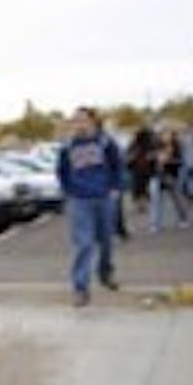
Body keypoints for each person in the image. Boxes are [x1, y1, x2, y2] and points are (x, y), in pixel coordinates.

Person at [57, 107, 123, 307]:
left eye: (83, 120)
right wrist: (69, 191)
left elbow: (117, 166)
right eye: (75, 120)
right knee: (83, 244)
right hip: (80, 200)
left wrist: (115, 188)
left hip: (103, 197)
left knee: (106, 241)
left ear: (93, 122)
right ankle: (80, 288)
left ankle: (106, 273)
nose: (79, 124)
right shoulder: (68, 146)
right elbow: (62, 172)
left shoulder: (105, 142)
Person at [149, 128, 191, 232]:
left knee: (177, 199)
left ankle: (183, 219)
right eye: (163, 134)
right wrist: (155, 158)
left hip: (171, 176)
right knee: (156, 201)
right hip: (156, 176)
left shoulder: (176, 147)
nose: (166, 137)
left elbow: (181, 162)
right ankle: (155, 224)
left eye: (168, 135)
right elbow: (149, 159)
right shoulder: (155, 146)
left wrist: (169, 161)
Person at [126, 126, 157, 213]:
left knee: (139, 188)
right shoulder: (148, 144)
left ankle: (141, 205)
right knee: (141, 188)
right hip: (142, 169)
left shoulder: (135, 144)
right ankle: (141, 205)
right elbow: (129, 155)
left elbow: (129, 155)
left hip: (140, 170)